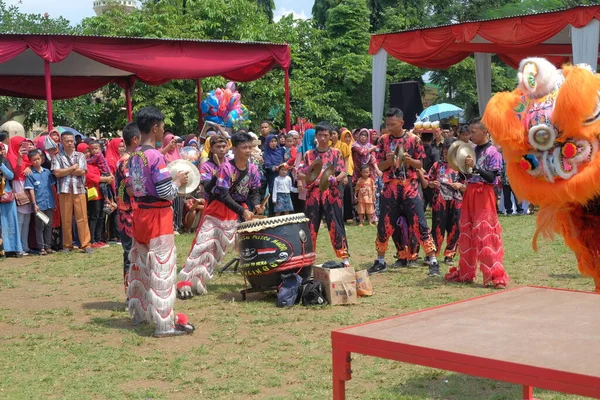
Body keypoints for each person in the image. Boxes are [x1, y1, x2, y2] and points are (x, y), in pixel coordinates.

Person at [126, 106, 195, 337]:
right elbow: (167, 192)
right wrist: (177, 180)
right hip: (157, 217)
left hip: (140, 215)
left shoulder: (135, 155)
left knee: (143, 267)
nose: (163, 130)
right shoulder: (155, 156)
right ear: (155, 127)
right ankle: (164, 323)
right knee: (162, 269)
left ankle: (142, 313)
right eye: (162, 126)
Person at [177, 132, 264, 299]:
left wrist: (257, 203)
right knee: (205, 245)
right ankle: (187, 281)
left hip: (238, 210)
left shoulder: (252, 168)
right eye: (244, 147)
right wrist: (242, 210)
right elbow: (223, 195)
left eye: (249, 147)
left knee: (230, 247)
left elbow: (255, 190)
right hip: (219, 209)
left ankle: (201, 280)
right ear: (236, 149)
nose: (247, 150)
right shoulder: (225, 168)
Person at [368, 108, 440, 276]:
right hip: (390, 187)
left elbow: (420, 164)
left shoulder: (414, 140)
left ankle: (433, 261)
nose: (390, 127)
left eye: (393, 124)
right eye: (388, 124)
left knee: (420, 223)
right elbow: (380, 166)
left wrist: (408, 160)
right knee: (384, 224)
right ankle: (380, 260)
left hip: (410, 187)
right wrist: (389, 161)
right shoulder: (383, 140)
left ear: (401, 122)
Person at [444, 118, 510, 288]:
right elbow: (465, 172)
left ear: (485, 131)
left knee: (485, 233)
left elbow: (492, 177)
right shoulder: (470, 150)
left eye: (474, 132)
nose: (470, 135)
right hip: (470, 193)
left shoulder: (493, 152)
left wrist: (476, 168)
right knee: (467, 232)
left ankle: (494, 275)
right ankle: (466, 272)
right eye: (469, 132)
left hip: (484, 194)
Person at [298, 121, 350, 265]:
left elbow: (343, 172)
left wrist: (335, 178)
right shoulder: (309, 154)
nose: (322, 138)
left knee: (336, 225)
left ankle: (344, 258)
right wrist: (311, 176)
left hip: (331, 194)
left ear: (330, 137)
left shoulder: (336, 153)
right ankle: (307, 260)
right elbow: (300, 173)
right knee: (311, 227)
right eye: (320, 135)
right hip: (313, 195)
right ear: (316, 136)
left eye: (325, 135)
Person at [51, 132, 93, 253]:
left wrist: (67, 171)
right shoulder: (57, 157)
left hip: (78, 189)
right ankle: (67, 245)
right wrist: (72, 168)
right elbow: (57, 173)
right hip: (64, 190)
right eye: (67, 141)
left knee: (82, 218)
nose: (70, 143)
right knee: (66, 218)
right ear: (62, 143)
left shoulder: (80, 155)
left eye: (71, 141)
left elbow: (82, 171)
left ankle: (86, 244)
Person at [426, 138, 465, 265]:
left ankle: (450, 254)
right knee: (438, 228)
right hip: (439, 201)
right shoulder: (437, 165)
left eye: (449, 153)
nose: (446, 155)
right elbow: (427, 181)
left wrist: (460, 185)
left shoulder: (461, 167)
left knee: (455, 228)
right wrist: (432, 183)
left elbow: (467, 185)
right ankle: (433, 254)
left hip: (456, 201)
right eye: (444, 152)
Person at [116, 122, 140, 297]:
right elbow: (132, 189)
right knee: (130, 254)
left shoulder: (133, 159)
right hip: (128, 215)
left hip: (135, 213)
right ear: (135, 139)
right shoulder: (126, 162)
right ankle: (130, 294)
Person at [24, 149, 56, 256]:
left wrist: (54, 202)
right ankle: (41, 247)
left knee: (49, 224)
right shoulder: (30, 174)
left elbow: (52, 188)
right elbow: (31, 190)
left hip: (49, 203)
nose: (37, 161)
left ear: (41, 159)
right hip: (39, 204)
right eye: (34, 160)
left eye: (38, 159)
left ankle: (48, 246)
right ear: (31, 161)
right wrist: (34, 203)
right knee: (39, 226)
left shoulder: (47, 172)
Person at [7, 137, 34, 255]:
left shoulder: (27, 157)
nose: (23, 147)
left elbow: (32, 164)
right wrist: (19, 158)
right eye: (20, 145)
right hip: (18, 186)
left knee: (27, 219)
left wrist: (29, 165)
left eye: (24, 145)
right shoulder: (10, 158)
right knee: (20, 219)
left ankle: (25, 245)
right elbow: (16, 174)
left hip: (27, 187)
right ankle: (18, 247)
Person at [0, 144, 23, 257]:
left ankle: (14, 248)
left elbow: (10, 176)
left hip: (7, 196)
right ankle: (2, 250)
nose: (1, 151)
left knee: (11, 222)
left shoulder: (5, 161)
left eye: (2, 149)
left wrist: (1, 165)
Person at [199, 135, 229, 201]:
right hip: (213, 203)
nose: (221, 149)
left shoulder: (231, 163)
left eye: (224, 146)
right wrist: (216, 176)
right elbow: (207, 188)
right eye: (218, 147)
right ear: (211, 149)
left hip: (231, 204)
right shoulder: (206, 167)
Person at [263, 134, 285, 217]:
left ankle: (283, 214)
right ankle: (273, 215)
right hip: (273, 177)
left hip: (282, 175)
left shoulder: (281, 150)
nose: (274, 143)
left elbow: (285, 160)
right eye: (271, 141)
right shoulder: (266, 153)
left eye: (275, 141)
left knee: (283, 193)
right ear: (268, 142)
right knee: (274, 194)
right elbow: (267, 165)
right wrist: (275, 168)